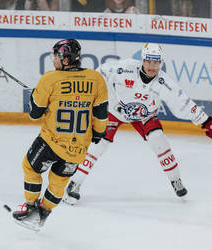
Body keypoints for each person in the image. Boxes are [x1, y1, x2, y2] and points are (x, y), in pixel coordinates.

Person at [63, 43, 212, 205]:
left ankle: (176, 180)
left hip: (144, 115)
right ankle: (75, 183)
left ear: (160, 63)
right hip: (114, 110)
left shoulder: (163, 82)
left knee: (158, 140)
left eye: (156, 63)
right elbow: (99, 75)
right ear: (143, 60)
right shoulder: (123, 69)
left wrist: (206, 121)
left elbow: (183, 103)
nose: (152, 66)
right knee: (98, 144)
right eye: (149, 61)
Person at [12, 39, 109, 231]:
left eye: (56, 56)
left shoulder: (50, 79)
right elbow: (101, 113)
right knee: (59, 181)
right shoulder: (96, 79)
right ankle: (44, 213)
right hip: (78, 147)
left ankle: (31, 208)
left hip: (51, 141)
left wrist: (34, 97)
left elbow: (34, 114)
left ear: (65, 58)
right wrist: (98, 133)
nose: (53, 59)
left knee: (31, 168)